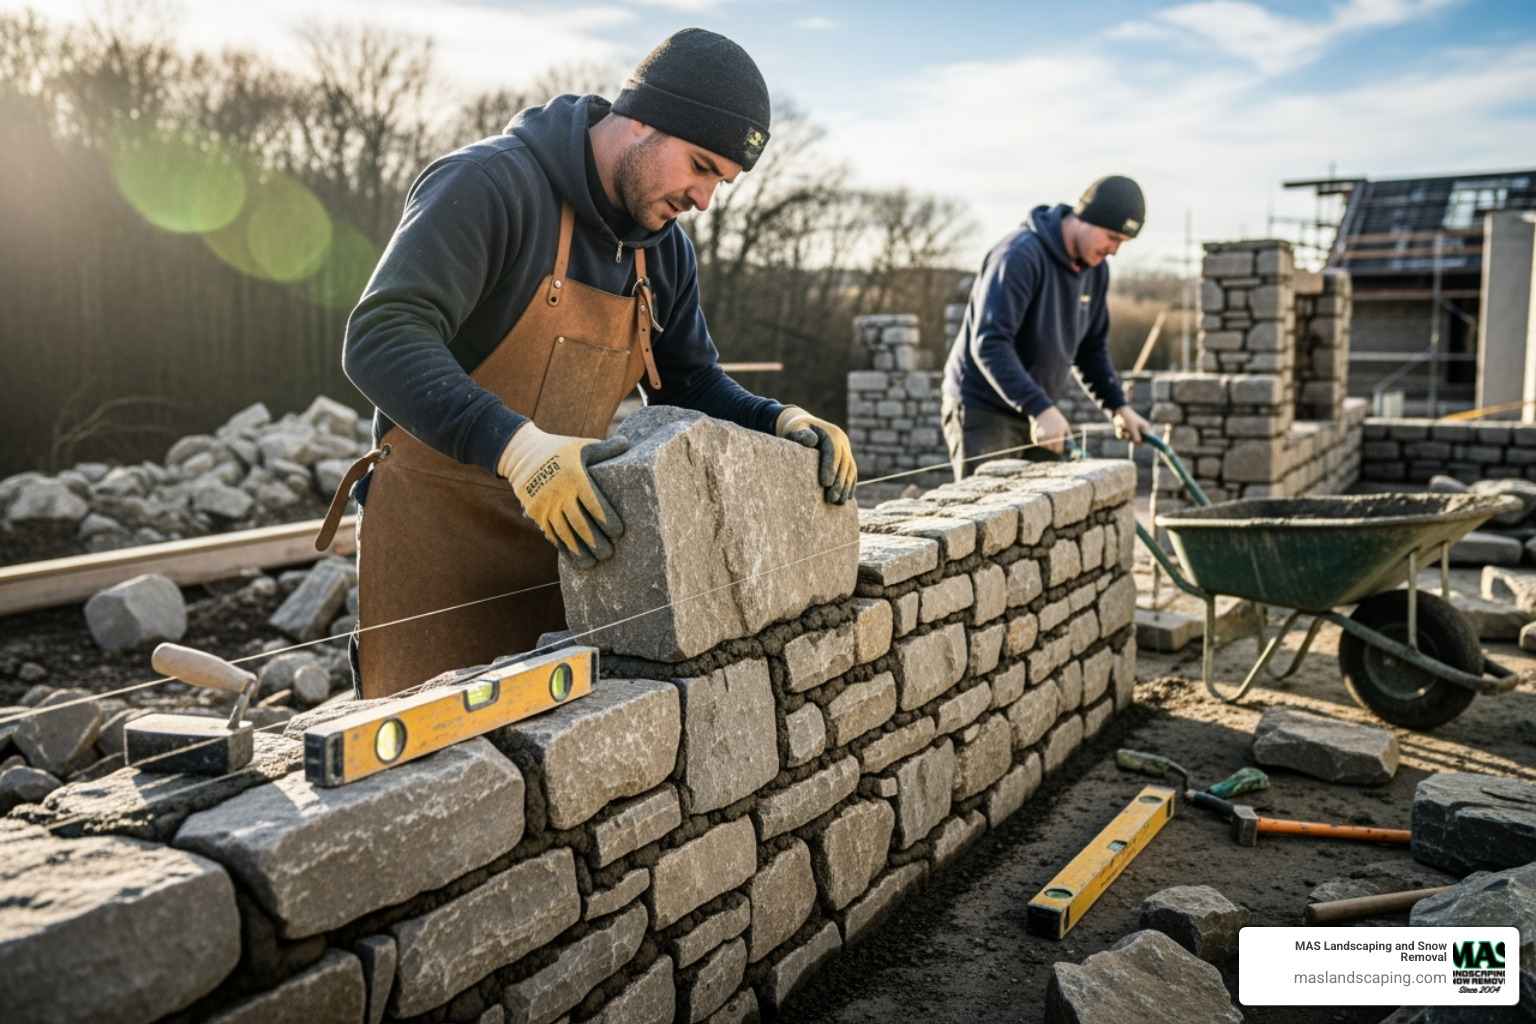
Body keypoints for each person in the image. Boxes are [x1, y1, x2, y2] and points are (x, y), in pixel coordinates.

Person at [316, 28, 856, 698]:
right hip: (437, 546)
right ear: (640, 120)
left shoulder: (663, 252)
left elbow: (686, 383)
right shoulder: (489, 185)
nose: (704, 199)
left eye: (723, 181)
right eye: (699, 165)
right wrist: (516, 450)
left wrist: (776, 420)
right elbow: (381, 336)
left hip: (565, 541)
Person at [940, 175, 1154, 479]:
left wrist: (1119, 407)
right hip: (984, 409)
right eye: (1113, 237)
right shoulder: (1019, 255)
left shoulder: (1095, 271)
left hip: (1038, 410)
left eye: (1123, 242)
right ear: (1087, 218)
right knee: (985, 516)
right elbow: (990, 342)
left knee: (1043, 515)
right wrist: (1039, 408)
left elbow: (1090, 349)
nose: (1114, 250)